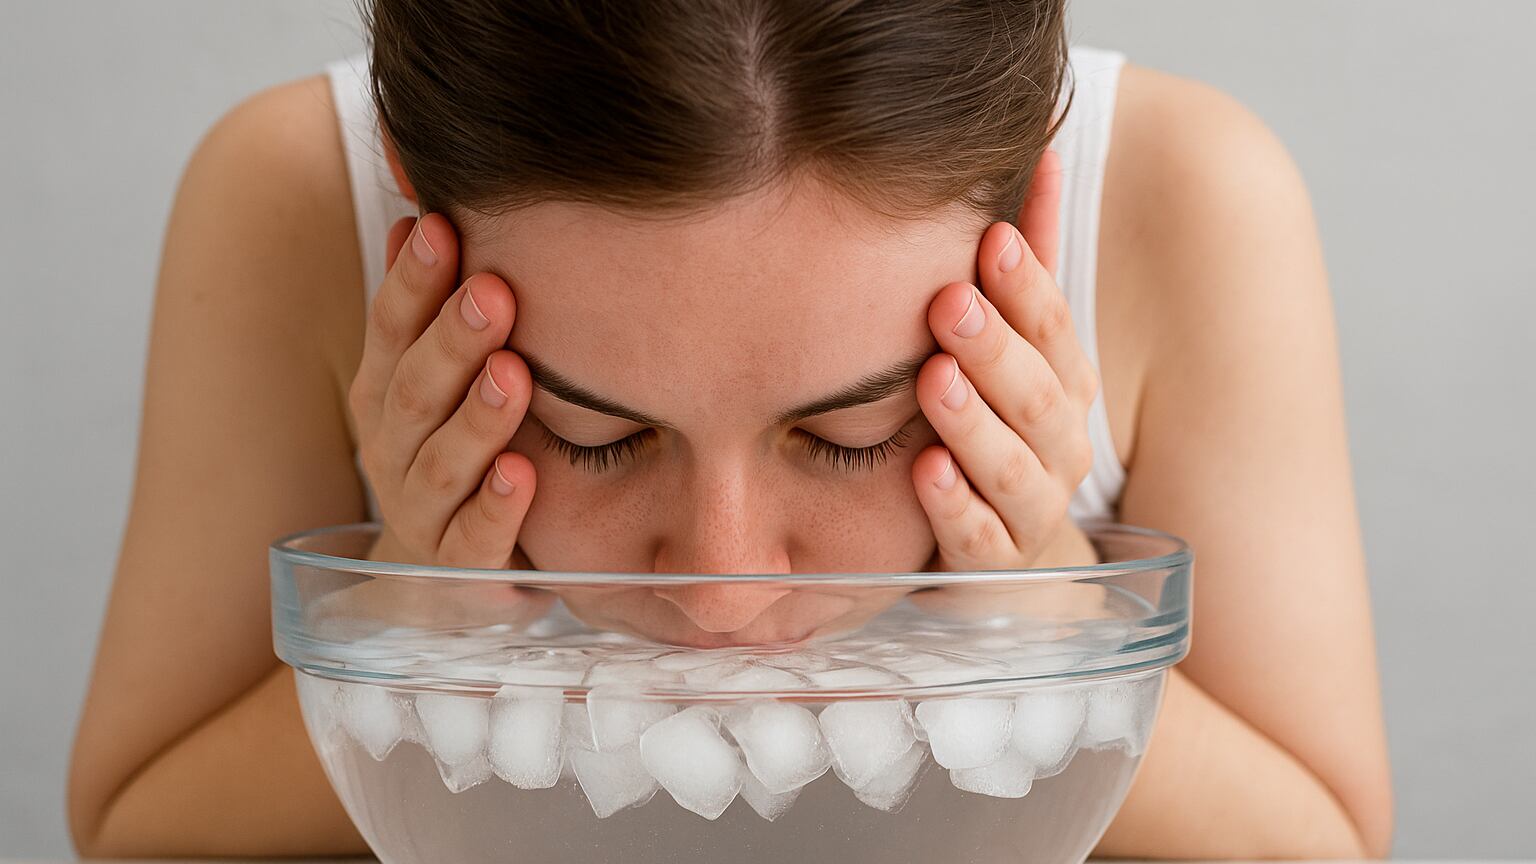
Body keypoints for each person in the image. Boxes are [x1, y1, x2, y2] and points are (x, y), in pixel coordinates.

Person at [67, 0, 1393, 858]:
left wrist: (1039, 598)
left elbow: (1323, 842)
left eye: (857, 429)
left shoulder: (1189, 200)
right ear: (412, 198)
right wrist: (425, 616)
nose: (722, 590)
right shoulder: (292, 200)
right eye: (593, 433)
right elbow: (138, 827)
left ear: (1029, 220)